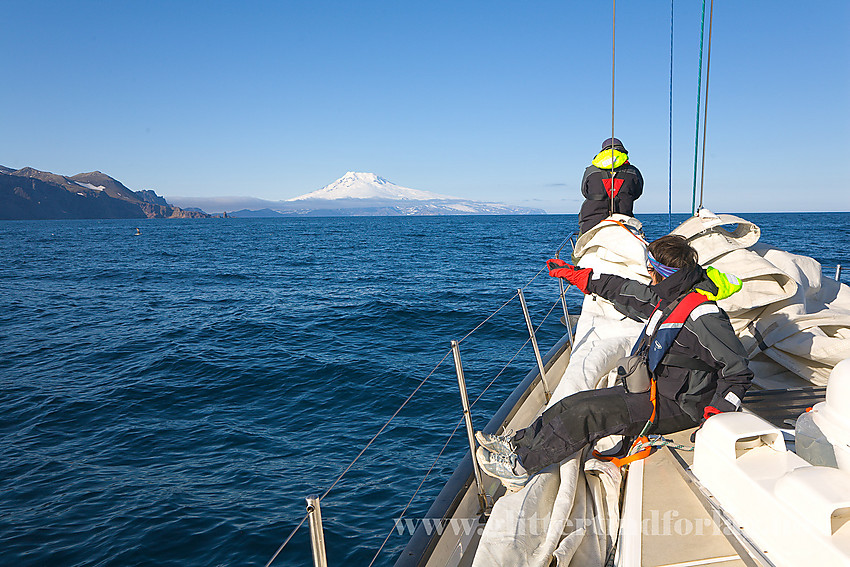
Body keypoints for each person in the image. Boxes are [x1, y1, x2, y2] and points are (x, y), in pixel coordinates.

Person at [475, 235, 752, 489]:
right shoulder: (671, 297)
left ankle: (520, 465)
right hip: (655, 389)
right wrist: (584, 278)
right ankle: (517, 443)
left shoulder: (704, 316)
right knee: (574, 401)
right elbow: (625, 290)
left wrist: (716, 415)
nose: (648, 276)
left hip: (681, 405)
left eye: (650, 271)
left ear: (663, 273)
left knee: (587, 414)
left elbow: (737, 371)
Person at [578, 138, 644, 234]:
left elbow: (585, 192)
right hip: (624, 219)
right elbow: (637, 193)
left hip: (592, 220)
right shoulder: (634, 171)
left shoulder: (590, 171)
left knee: (582, 242)